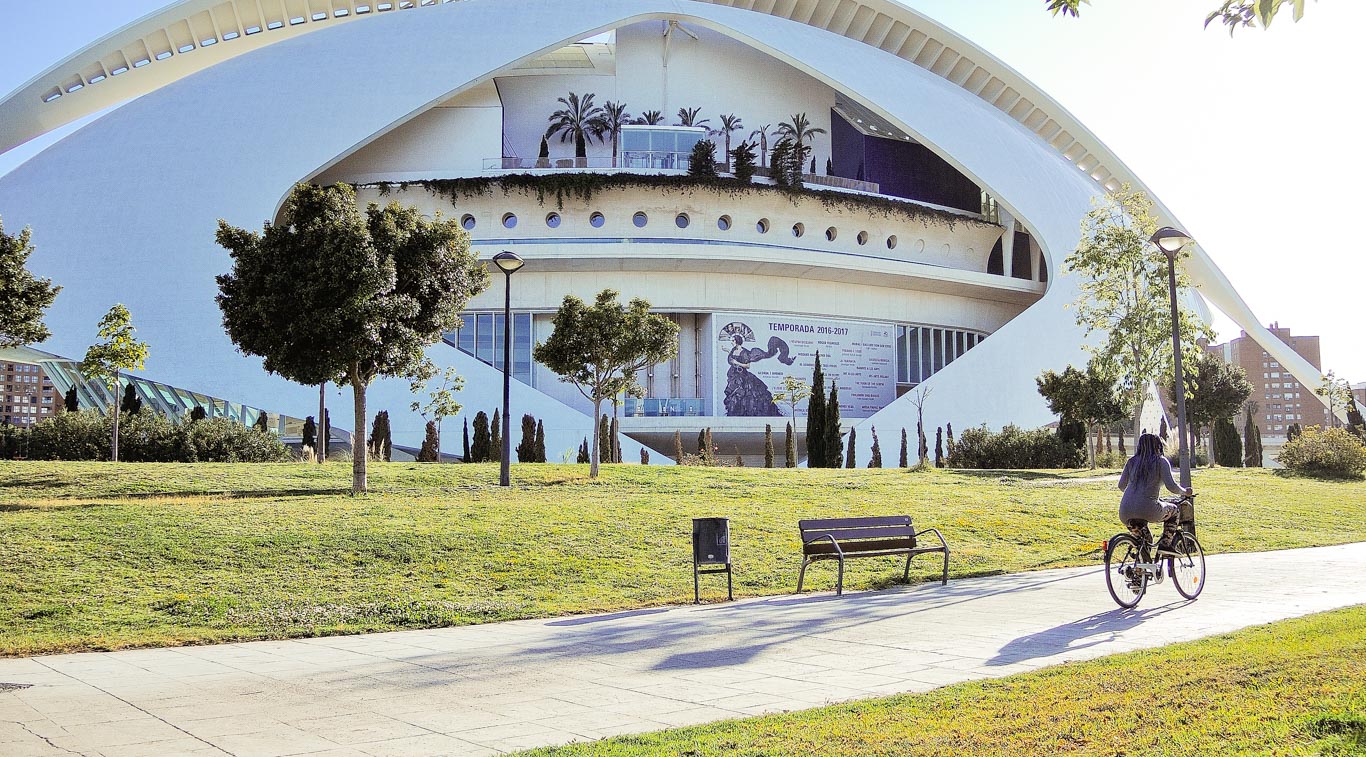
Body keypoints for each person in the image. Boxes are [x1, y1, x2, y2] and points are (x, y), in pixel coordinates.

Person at [1117, 433, 1192, 553]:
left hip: (1125, 511)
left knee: (1145, 541)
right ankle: (1166, 545)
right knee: (1174, 511)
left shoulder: (1131, 461)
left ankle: (1140, 568)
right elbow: (1171, 487)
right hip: (1149, 509)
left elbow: (1121, 486)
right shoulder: (1161, 462)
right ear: (1158, 446)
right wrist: (1185, 491)